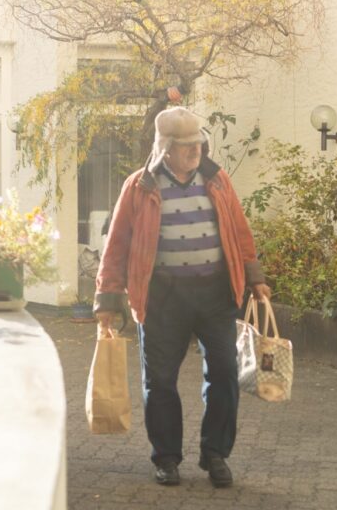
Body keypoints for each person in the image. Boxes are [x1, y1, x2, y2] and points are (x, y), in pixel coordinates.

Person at [94, 106, 271, 488]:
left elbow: (240, 232)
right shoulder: (140, 186)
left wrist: (255, 279)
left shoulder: (218, 180)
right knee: (159, 380)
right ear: (166, 149)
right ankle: (167, 458)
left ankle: (215, 454)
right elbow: (117, 246)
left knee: (224, 372)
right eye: (187, 145)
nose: (196, 150)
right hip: (161, 296)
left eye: (198, 143)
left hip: (215, 293)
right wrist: (107, 301)